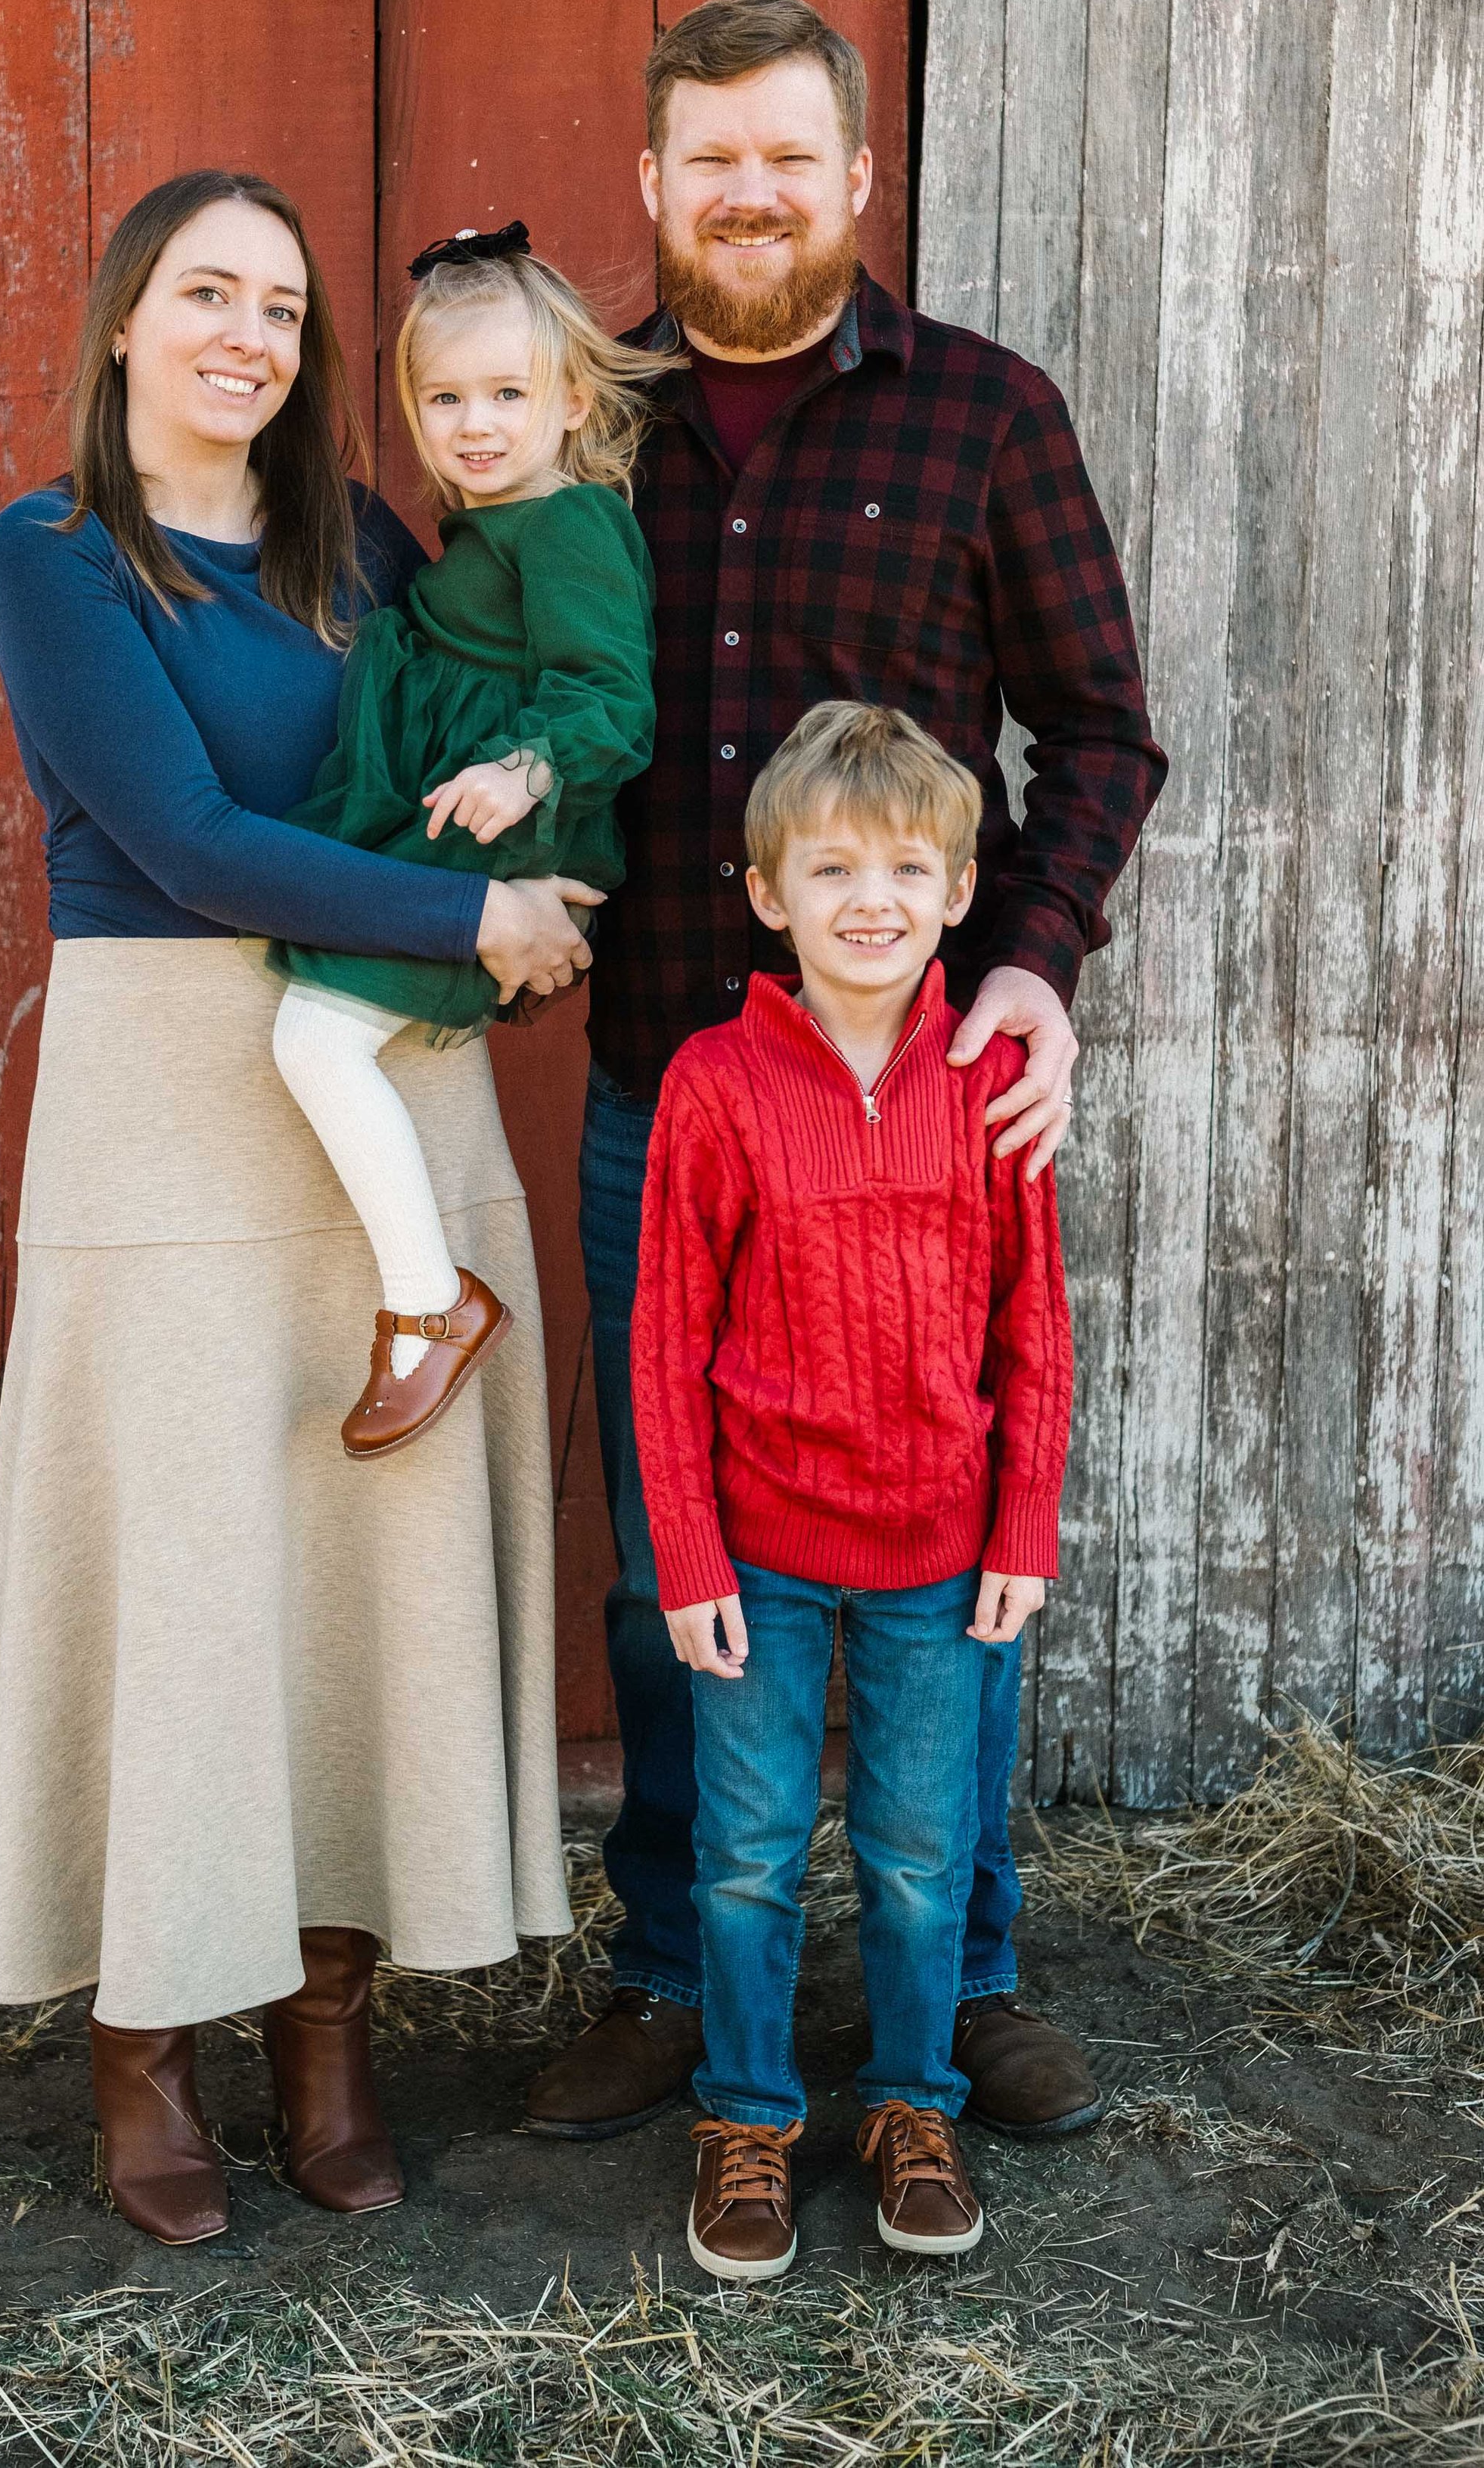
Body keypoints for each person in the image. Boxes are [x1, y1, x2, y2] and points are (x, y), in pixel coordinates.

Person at [525, 0, 1166, 2144]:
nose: (749, 193)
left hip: (925, 1118)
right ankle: (662, 1974)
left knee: (942, 1542)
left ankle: (958, 1980)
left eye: (788, 155)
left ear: (855, 177)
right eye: (709, 157)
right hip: (667, 1094)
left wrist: (1042, 965)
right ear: (648, 182)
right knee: (661, 1554)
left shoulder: (979, 416)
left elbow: (1098, 730)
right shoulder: (583, 420)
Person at [0, 169, 587, 2246]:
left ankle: (327, 2029)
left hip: (386, 1073)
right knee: (188, 1560)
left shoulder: (355, 542)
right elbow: (191, 838)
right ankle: (147, 2045)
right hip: (170, 1094)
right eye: (207, 292)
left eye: (284, 309)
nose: (249, 334)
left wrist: (549, 798)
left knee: (346, 1568)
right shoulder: (60, 553)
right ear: (125, 317)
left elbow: (498, 699)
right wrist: (469, 907)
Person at [633, 702, 1073, 2277]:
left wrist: (1019, 1525)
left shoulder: (989, 1083)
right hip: (755, 1551)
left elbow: (1036, 1325)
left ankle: (910, 2102)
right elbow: (664, 1335)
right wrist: (684, 1553)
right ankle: (745, 2116)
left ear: (959, 891)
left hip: (937, 1560)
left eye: (903, 867)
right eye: (829, 868)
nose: (867, 898)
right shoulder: (716, 1083)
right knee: (745, 1852)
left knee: (912, 1849)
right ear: (768, 894)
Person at [266, 225, 674, 1458]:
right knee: (316, 1026)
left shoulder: (569, 528)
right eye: (446, 398)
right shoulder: (489, 530)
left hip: (511, 831)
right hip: (466, 826)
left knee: (317, 1036)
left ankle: (431, 1305)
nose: (477, 423)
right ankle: (424, 1301)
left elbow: (614, 692)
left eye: (509, 394)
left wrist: (527, 763)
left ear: (567, 401)